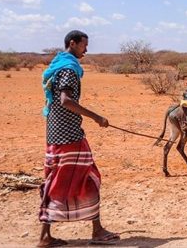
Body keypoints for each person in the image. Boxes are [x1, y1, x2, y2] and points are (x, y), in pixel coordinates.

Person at [37, 30, 119, 247]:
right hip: (70, 136)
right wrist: (96, 117)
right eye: (84, 45)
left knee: (53, 181)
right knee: (90, 178)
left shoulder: (57, 65)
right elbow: (65, 101)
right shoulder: (69, 69)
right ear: (72, 44)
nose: (86, 49)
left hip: (55, 134)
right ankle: (97, 231)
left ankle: (45, 235)